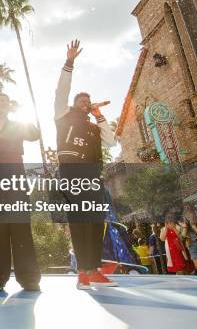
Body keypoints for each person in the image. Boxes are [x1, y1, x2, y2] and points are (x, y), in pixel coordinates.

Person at [54, 40, 118, 290]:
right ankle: (82, 271)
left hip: (92, 174)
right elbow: (61, 91)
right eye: (81, 100)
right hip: (71, 171)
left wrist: (100, 115)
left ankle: (93, 270)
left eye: (87, 101)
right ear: (74, 103)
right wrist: (69, 62)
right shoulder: (63, 116)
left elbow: (111, 141)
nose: (85, 102)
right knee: (79, 220)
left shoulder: (93, 126)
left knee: (94, 221)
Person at [0, 93, 41, 292]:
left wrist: (20, 113)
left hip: (16, 172)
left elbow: (35, 135)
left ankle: (28, 278)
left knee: (20, 223)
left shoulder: (18, 125)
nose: (3, 103)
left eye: (6, 101)